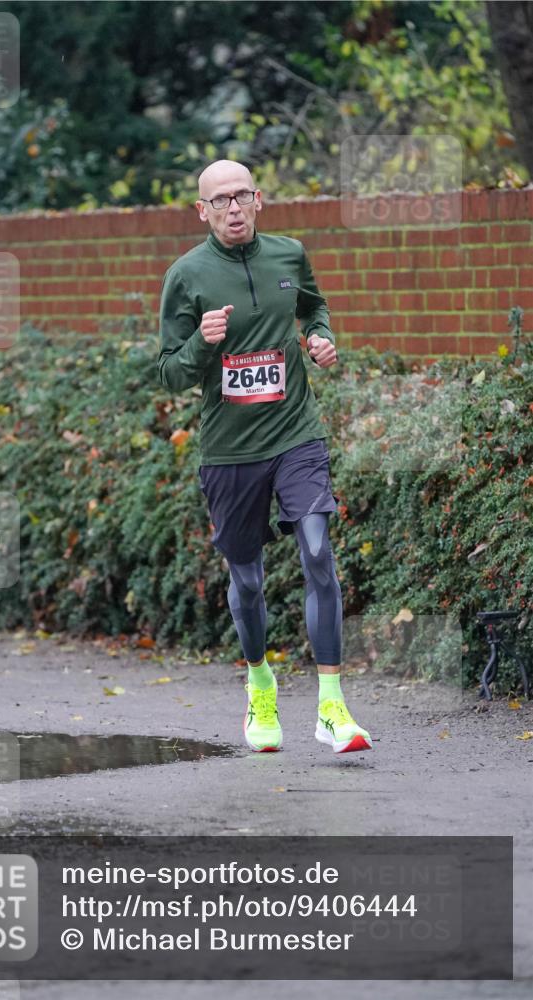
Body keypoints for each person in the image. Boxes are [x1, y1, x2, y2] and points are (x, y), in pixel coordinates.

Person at [157, 159, 372, 755]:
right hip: (229, 452)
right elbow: (169, 373)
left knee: (317, 548)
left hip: (296, 433)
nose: (232, 208)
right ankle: (260, 683)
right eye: (219, 200)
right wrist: (202, 343)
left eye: (241, 196)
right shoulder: (185, 275)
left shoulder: (287, 254)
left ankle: (332, 708)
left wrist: (321, 337)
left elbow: (313, 307)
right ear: (202, 211)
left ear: (259, 200)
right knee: (247, 583)